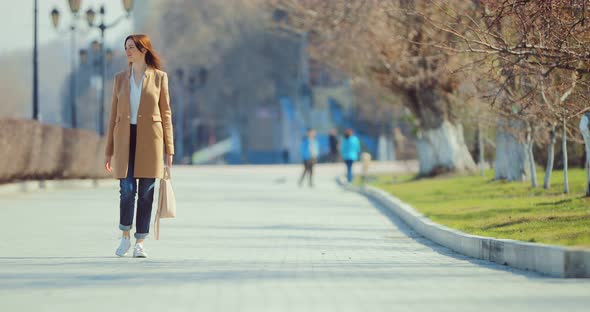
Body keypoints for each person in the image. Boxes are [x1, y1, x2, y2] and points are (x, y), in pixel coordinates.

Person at [104, 34, 174, 258]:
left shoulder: (159, 78)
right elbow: (113, 115)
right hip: (125, 138)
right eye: (126, 47)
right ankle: (125, 236)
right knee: (126, 190)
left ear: (144, 50)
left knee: (146, 192)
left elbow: (166, 114)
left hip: (151, 141)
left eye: (132, 47)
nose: (128, 51)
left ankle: (140, 242)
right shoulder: (119, 79)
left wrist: (169, 149)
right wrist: (109, 151)